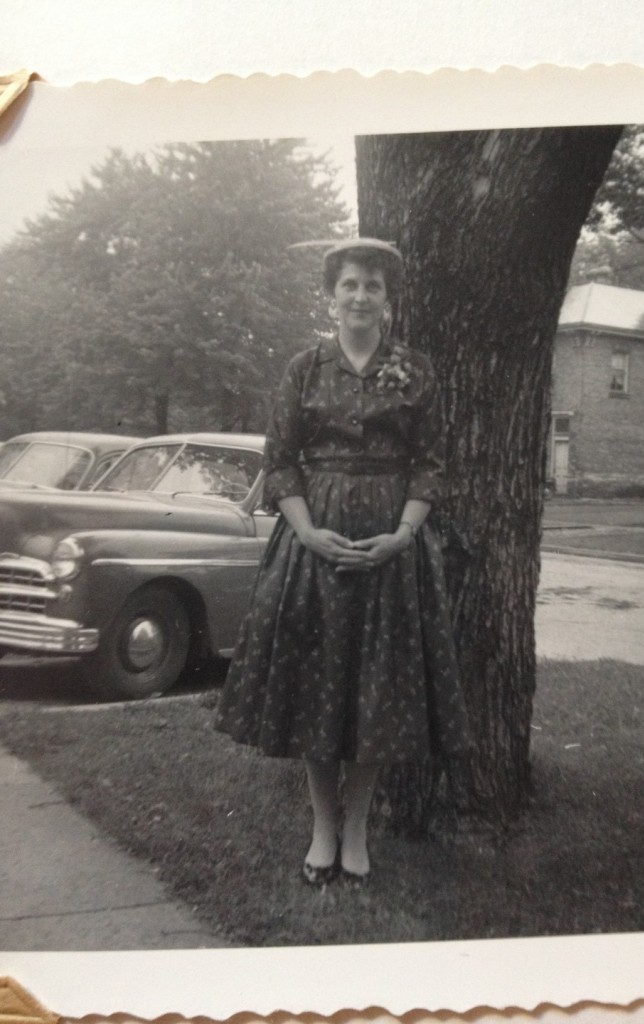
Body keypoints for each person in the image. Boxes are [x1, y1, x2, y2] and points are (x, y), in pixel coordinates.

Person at [215, 238, 471, 886]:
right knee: (316, 687)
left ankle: (357, 830)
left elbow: (430, 463)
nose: (360, 297)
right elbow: (281, 461)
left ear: (389, 302)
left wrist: (404, 535)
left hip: (389, 552)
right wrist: (307, 533)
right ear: (330, 298)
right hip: (316, 551)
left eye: (373, 288)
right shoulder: (305, 368)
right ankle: (322, 828)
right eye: (349, 285)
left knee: (377, 689)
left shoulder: (414, 372)